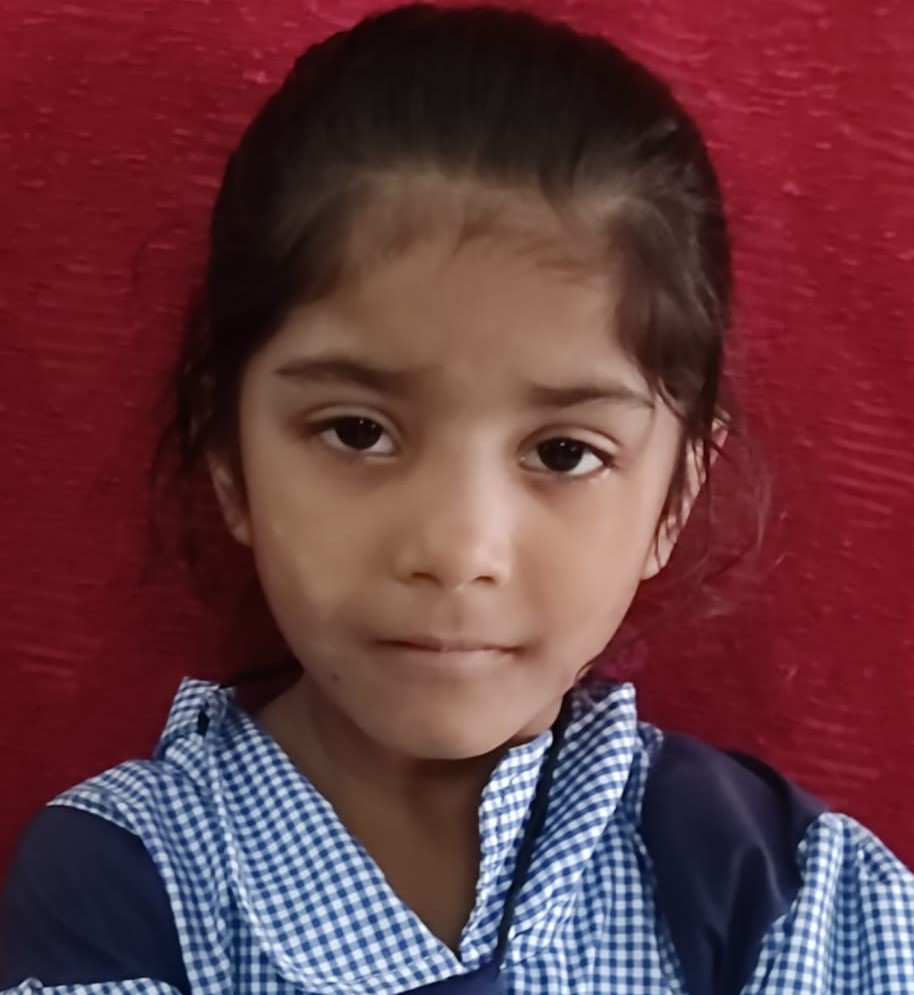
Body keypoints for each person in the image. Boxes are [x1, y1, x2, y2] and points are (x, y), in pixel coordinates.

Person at [2, 3, 913, 993]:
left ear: (675, 496)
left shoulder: (792, 892)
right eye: (357, 432)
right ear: (229, 459)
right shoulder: (125, 884)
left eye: (562, 452)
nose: (456, 548)